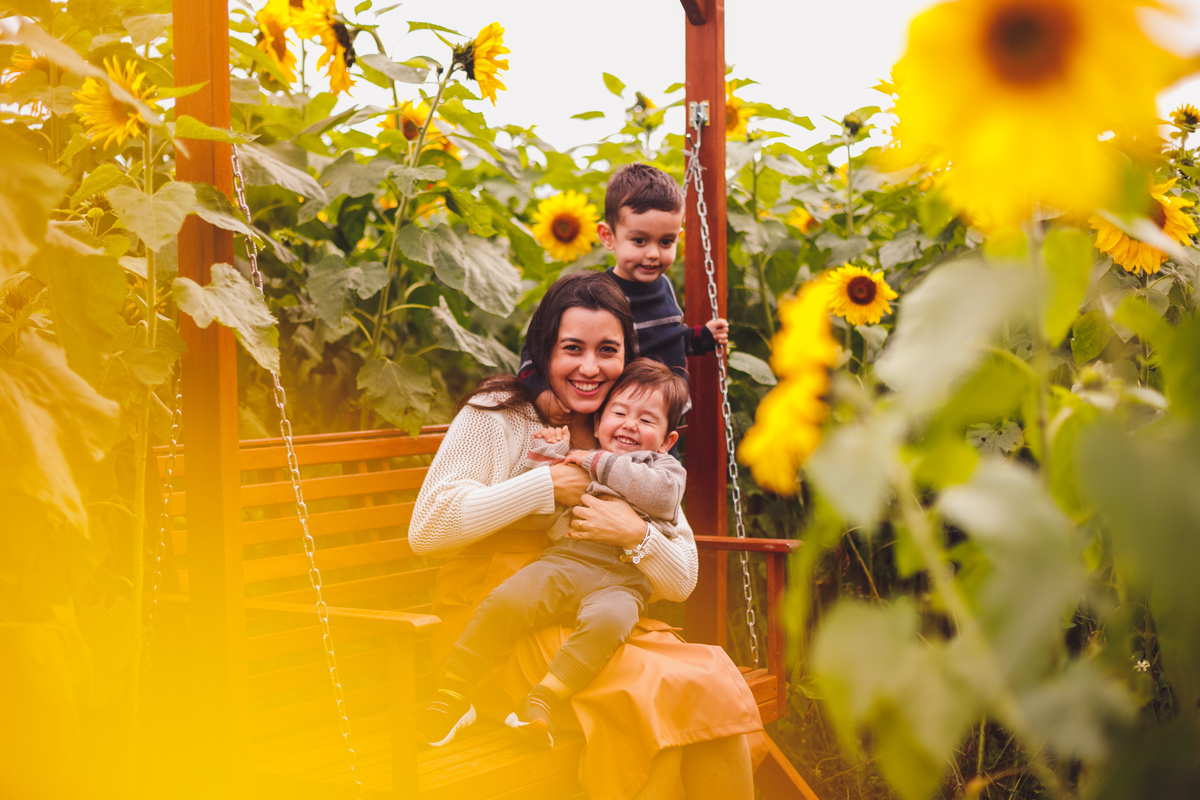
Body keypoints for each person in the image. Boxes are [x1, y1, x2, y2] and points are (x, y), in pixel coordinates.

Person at [409, 272, 760, 800]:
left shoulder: (624, 427)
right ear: (544, 349)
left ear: (627, 355)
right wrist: (545, 485)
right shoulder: (499, 415)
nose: (590, 368)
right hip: (498, 617)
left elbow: (682, 576)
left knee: (704, 682)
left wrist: (634, 534)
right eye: (572, 348)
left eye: (608, 350)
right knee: (661, 694)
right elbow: (427, 527)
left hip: (587, 615)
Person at [418, 359, 690, 749]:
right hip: (569, 560)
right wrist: (545, 458)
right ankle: (453, 691)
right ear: (598, 424)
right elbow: (543, 511)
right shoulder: (580, 459)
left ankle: (543, 697)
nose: (631, 424)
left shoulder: (663, 470)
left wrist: (593, 460)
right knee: (509, 599)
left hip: (624, 580)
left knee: (608, 624)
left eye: (647, 421)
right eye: (619, 413)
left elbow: (657, 496)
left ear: (667, 441)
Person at [518, 163, 730, 423]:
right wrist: (539, 390)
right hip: (621, 424)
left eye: (666, 241)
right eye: (639, 240)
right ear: (608, 237)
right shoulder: (600, 297)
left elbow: (668, 339)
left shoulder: (664, 287)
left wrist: (703, 336)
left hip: (662, 417)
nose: (653, 254)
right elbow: (535, 347)